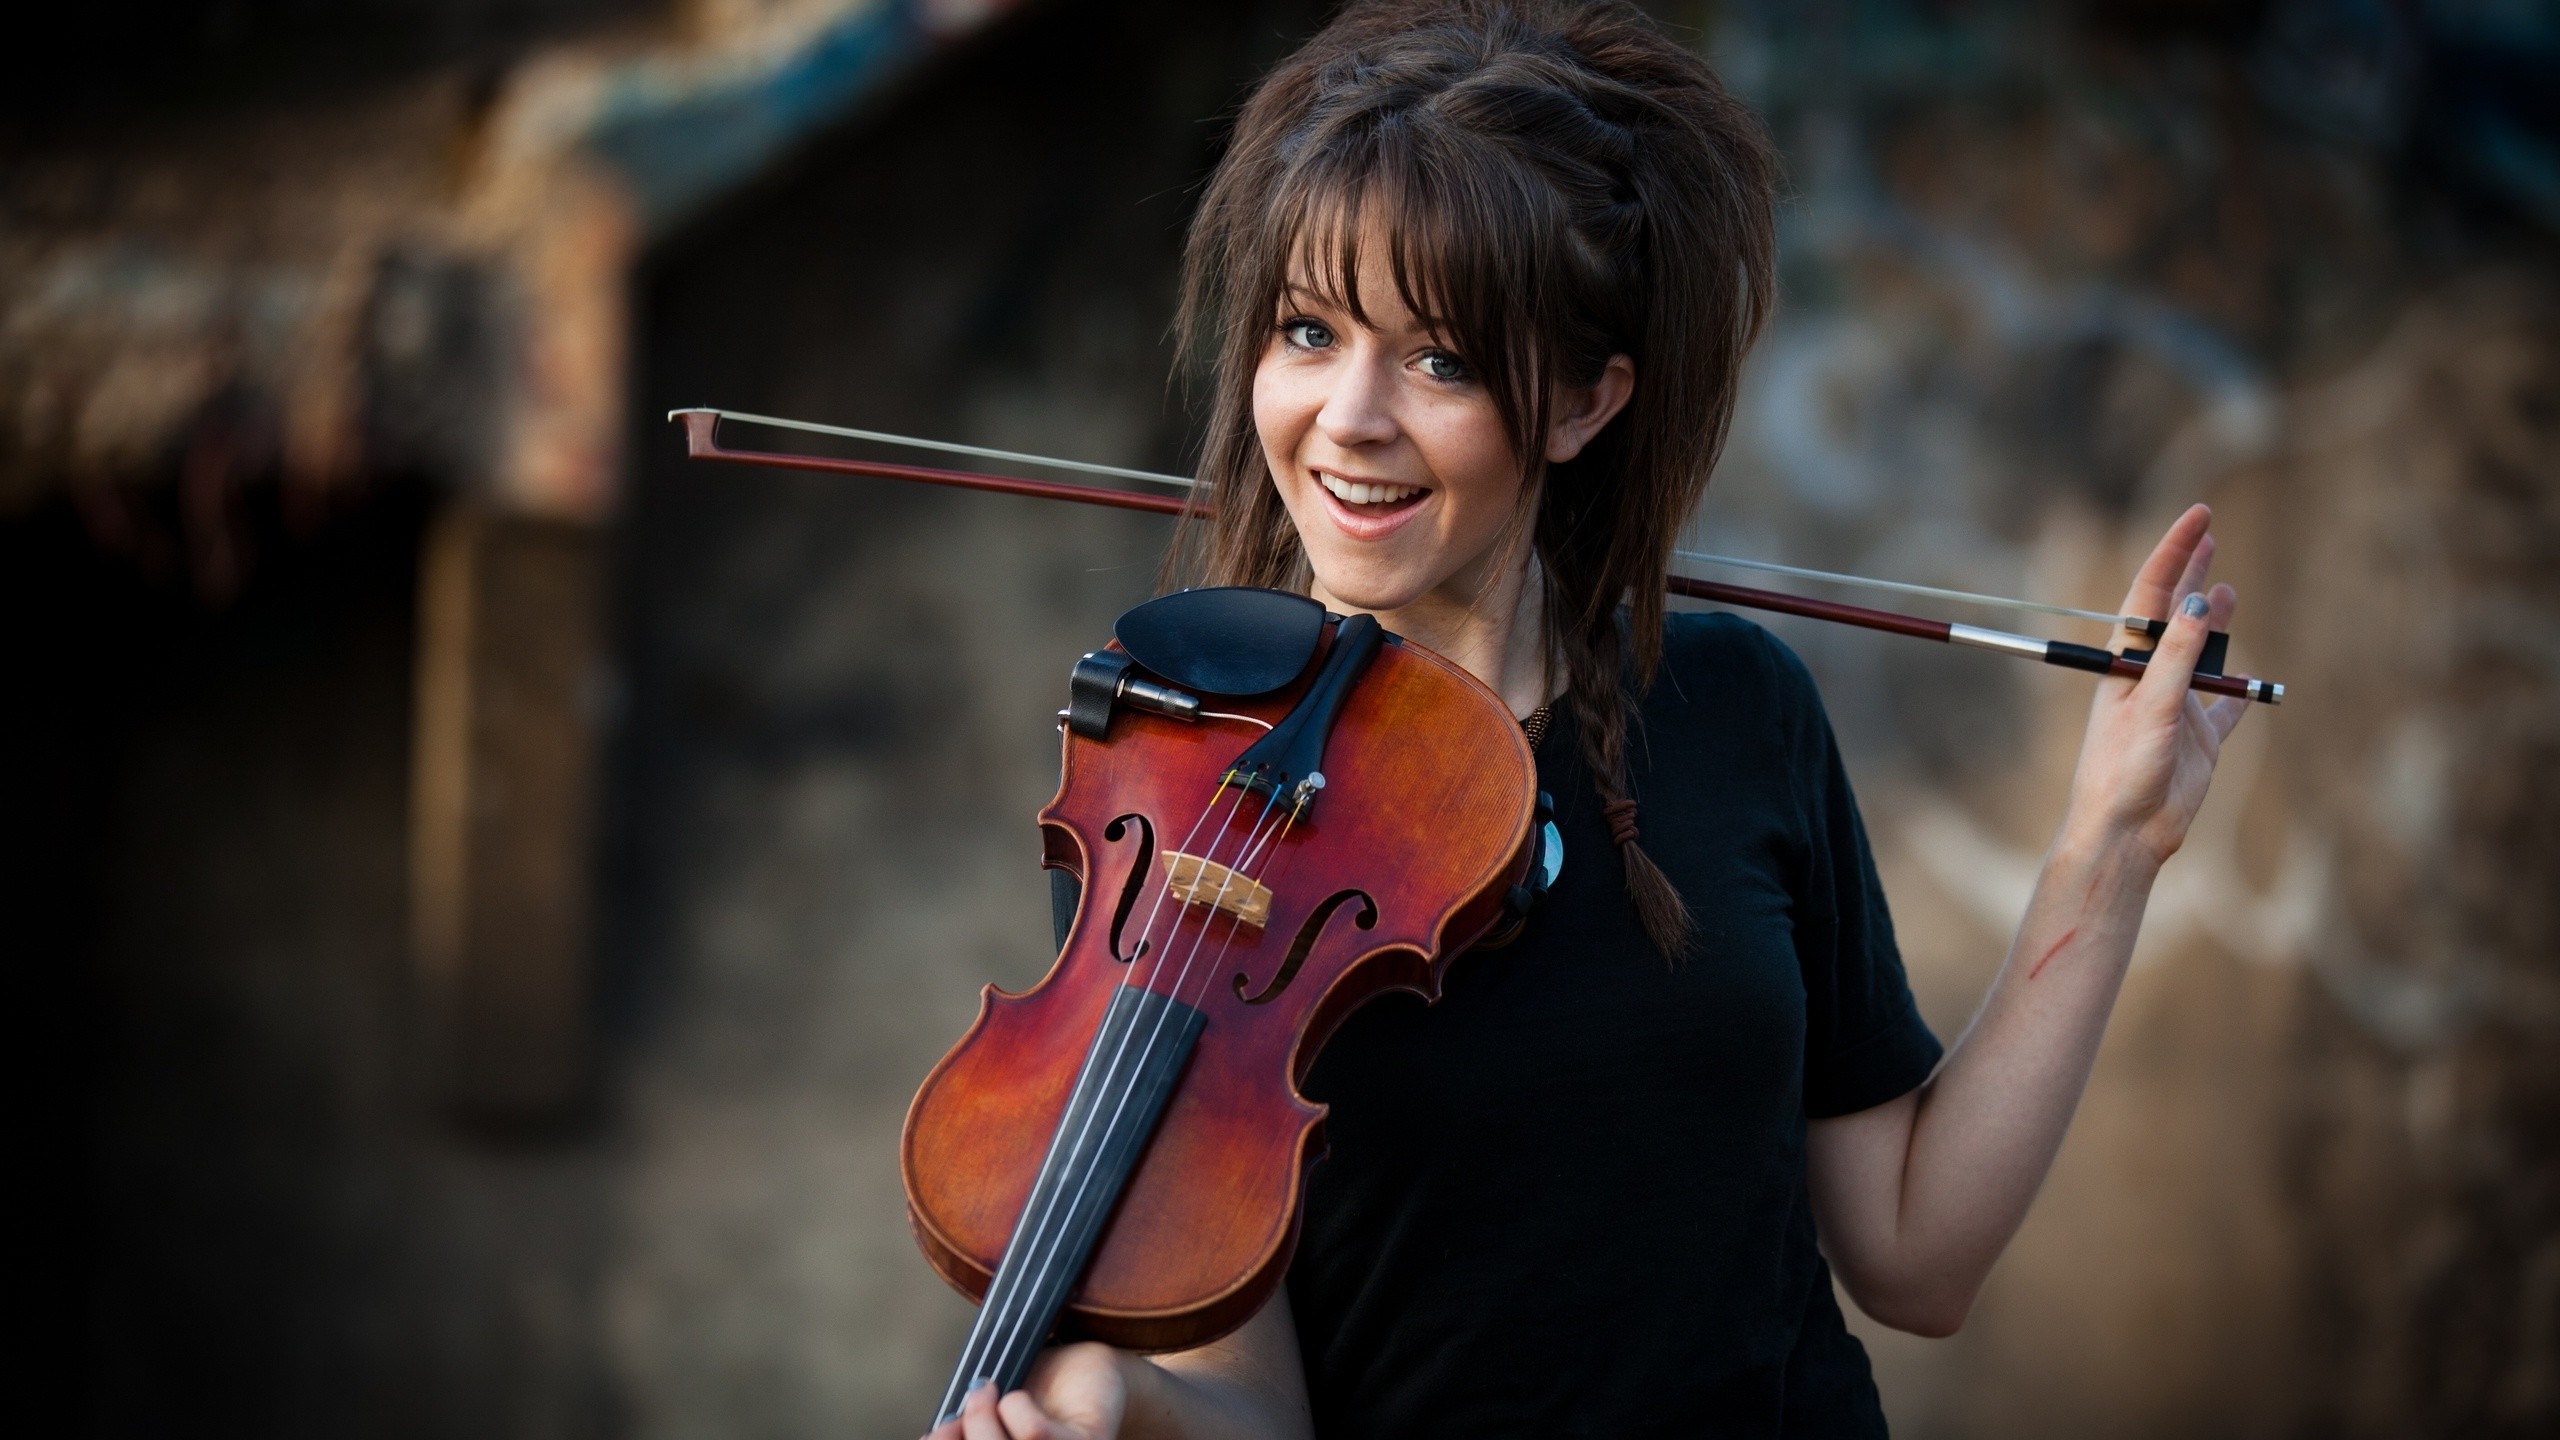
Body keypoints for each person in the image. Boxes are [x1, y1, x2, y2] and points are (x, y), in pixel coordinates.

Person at [930, 2, 2247, 1435]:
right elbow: (1259, 1404)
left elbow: (1919, 1256)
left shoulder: (1738, 709)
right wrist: (1122, 1409)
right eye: (1307, 332)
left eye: (1438, 359)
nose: (1348, 416)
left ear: (1581, 400)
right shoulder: (1185, 777)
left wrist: (2111, 847)